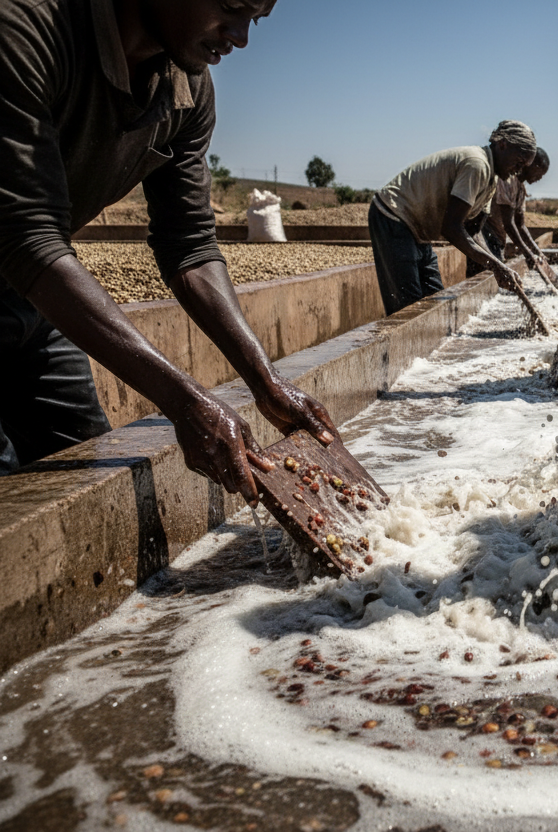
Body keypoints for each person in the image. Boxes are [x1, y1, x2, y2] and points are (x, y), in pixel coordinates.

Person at [0, 0, 339, 502]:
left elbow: (190, 245)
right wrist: (183, 401)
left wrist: (265, 382)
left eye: (256, 18)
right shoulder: (27, 28)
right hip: (31, 266)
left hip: (30, 296)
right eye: (231, 6)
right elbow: (28, 235)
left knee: (86, 478)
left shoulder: (188, 86)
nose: (241, 37)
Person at [371, 121, 536, 314]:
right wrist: (496, 267)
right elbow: (451, 227)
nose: (519, 171)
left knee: (434, 301)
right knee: (409, 308)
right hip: (394, 215)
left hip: (419, 229)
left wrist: (499, 266)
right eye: (518, 162)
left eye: (524, 166)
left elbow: (473, 232)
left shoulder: (491, 181)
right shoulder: (477, 164)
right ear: (503, 144)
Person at [490, 148, 553, 273]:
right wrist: (527, 253)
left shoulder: (521, 189)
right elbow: (508, 224)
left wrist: (537, 252)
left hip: (499, 239)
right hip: (488, 236)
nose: (540, 178)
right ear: (530, 164)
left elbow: (520, 224)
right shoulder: (506, 179)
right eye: (540, 172)